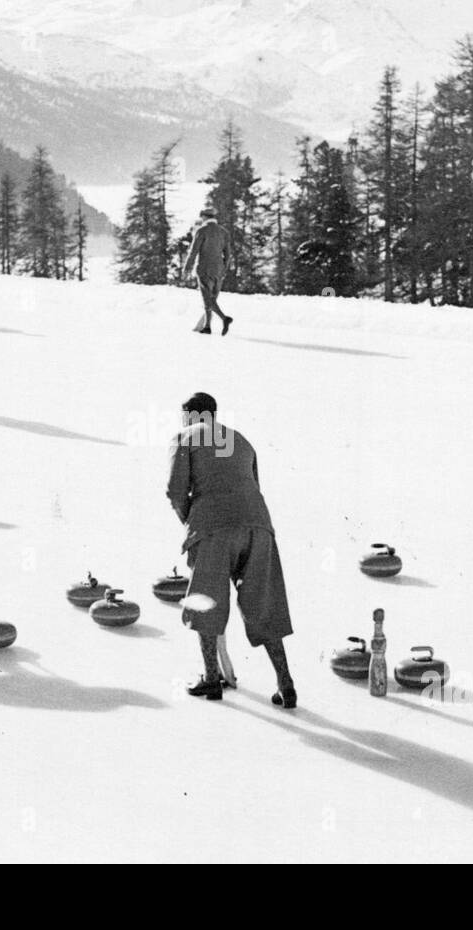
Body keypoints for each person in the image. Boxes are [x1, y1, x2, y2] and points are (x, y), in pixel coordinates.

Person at [166, 392, 295, 705]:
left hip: (212, 528)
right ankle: (286, 683)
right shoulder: (241, 439)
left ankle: (212, 679)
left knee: (206, 605)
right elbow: (254, 485)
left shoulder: (184, 437)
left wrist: (192, 523)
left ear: (189, 416)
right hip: (259, 527)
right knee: (264, 605)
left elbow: (174, 491)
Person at [182, 209, 233, 336]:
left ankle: (224, 318)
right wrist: (224, 269)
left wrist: (187, 268)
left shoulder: (201, 231)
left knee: (207, 298)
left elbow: (193, 251)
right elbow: (228, 254)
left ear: (204, 217)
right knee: (212, 298)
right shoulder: (224, 232)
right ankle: (207, 326)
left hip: (204, 268)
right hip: (219, 270)